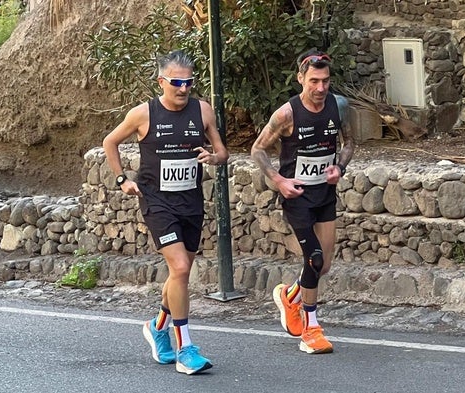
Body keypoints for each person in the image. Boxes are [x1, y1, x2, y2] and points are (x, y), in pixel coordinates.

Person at [102, 50, 229, 374]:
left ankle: (157, 327)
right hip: (157, 201)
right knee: (182, 268)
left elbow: (222, 151)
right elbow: (110, 142)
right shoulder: (143, 114)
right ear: (161, 82)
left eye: (188, 82)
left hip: (191, 201)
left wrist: (213, 158)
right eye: (176, 82)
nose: (183, 88)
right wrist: (121, 180)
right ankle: (185, 347)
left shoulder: (202, 111)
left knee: (178, 274)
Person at [251, 49, 355, 354]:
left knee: (323, 266)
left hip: (324, 194)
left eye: (325, 81)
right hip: (296, 196)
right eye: (314, 81)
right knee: (315, 259)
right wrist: (278, 180)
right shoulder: (286, 114)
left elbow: (348, 142)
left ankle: (290, 296)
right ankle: (311, 329)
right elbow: (258, 149)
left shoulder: (339, 106)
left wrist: (340, 167)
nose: (321, 88)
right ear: (301, 79)